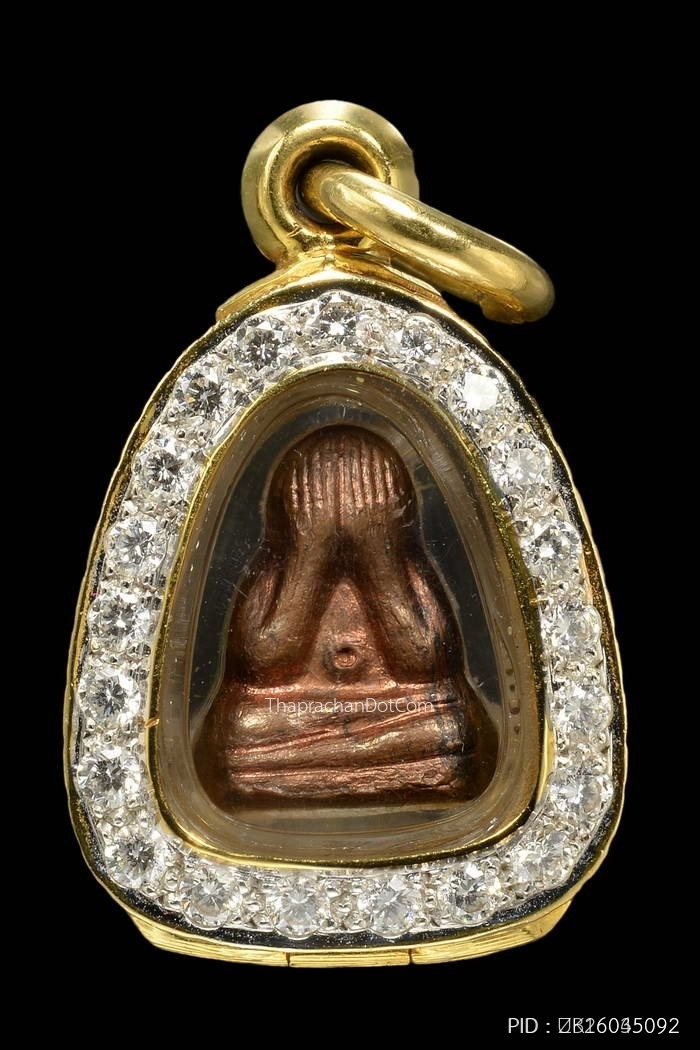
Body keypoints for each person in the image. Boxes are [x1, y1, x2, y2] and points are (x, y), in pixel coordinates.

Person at [195, 426, 496, 809]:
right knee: (241, 728)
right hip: (287, 713)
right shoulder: (276, 571)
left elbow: (421, 658)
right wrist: (310, 553)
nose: (342, 508)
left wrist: (378, 554)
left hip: (400, 711)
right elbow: (267, 659)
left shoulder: (406, 569)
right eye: (318, 497)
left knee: (450, 729)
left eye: (367, 495)